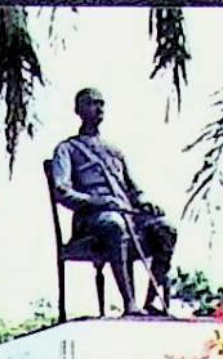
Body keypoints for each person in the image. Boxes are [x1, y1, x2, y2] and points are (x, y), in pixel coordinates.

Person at [49, 87, 178, 315]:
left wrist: (145, 203)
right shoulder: (67, 149)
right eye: (92, 103)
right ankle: (130, 303)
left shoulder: (114, 151)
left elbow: (133, 190)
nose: (98, 108)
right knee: (114, 224)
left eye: (101, 104)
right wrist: (98, 201)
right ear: (78, 110)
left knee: (165, 229)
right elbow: (62, 191)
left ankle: (152, 300)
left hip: (127, 215)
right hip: (91, 221)